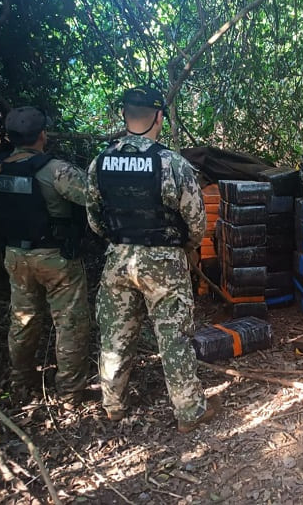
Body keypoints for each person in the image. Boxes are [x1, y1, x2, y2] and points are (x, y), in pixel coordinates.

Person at [86, 85, 217, 433]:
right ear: (159, 116)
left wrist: (119, 242)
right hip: (163, 260)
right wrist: (185, 248)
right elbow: (195, 221)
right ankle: (189, 412)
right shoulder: (171, 163)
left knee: (115, 334)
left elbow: (94, 219)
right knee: (174, 335)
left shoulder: (100, 162)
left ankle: (113, 405)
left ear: (124, 115)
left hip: (118, 258)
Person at [0, 106, 90, 405]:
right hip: (55, 258)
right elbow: (91, 196)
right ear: (42, 135)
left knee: (23, 319)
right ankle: (70, 392)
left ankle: (22, 383)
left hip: (15, 256)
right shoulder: (56, 170)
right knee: (69, 323)